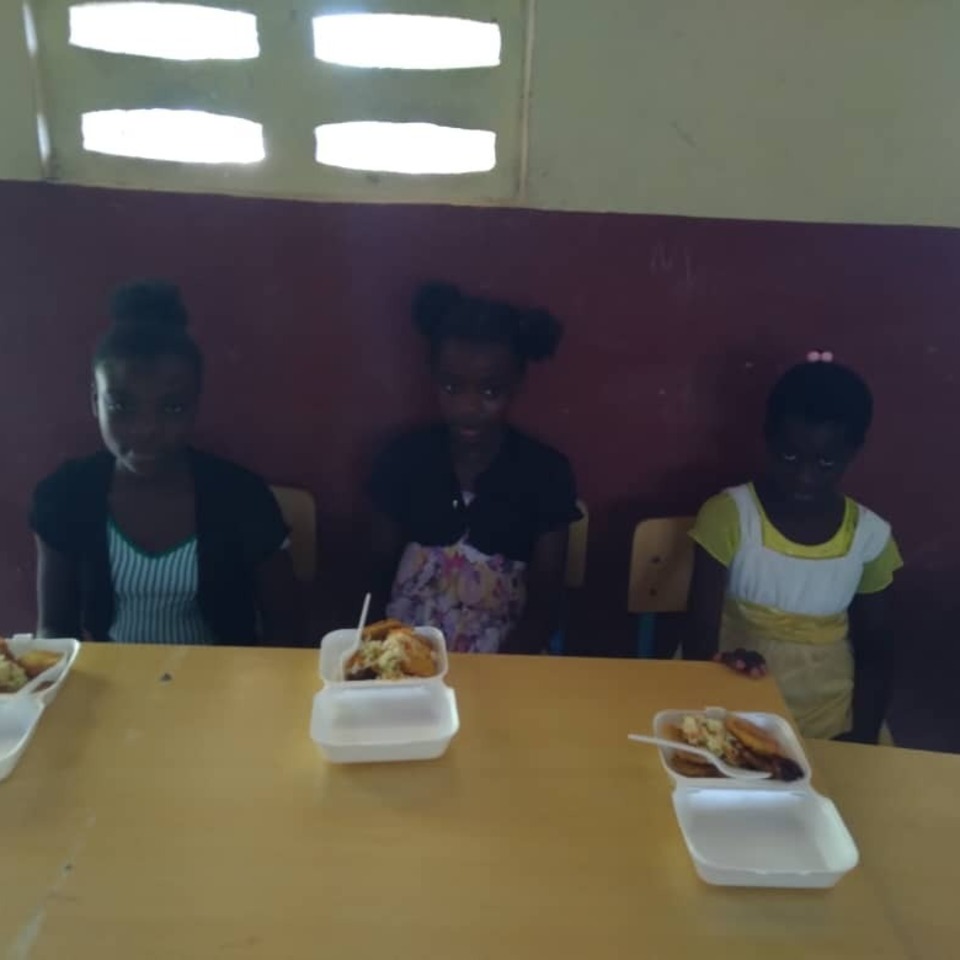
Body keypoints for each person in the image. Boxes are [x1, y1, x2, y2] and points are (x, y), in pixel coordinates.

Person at [30, 281, 301, 646]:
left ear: (195, 405)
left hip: (226, 689)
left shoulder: (242, 496)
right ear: (95, 401)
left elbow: (289, 632)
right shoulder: (63, 496)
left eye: (172, 407)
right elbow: (54, 631)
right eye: (121, 405)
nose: (146, 429)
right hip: (111, 688)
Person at [686, 354, 902, 743]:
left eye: (824, 462)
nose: (803, 477)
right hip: (733, 685)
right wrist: (718, 678)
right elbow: (699, 632)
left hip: (831, 709)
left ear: (852, 454)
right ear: (768, 438)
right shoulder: (729, 515)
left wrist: (864, 733)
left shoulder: (870, 537)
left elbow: (877, 648)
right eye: (789, 456)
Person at [368, 282, 581, 654]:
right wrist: (383, 655)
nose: (468, 408)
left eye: (489, 392)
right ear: (432, 376)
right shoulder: (402, 459)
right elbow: (375, 573)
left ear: (516, 383)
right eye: (452, 388)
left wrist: (504, 668)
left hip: (509, 653)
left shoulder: (546, 473)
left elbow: (546, 598)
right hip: (404, 651)